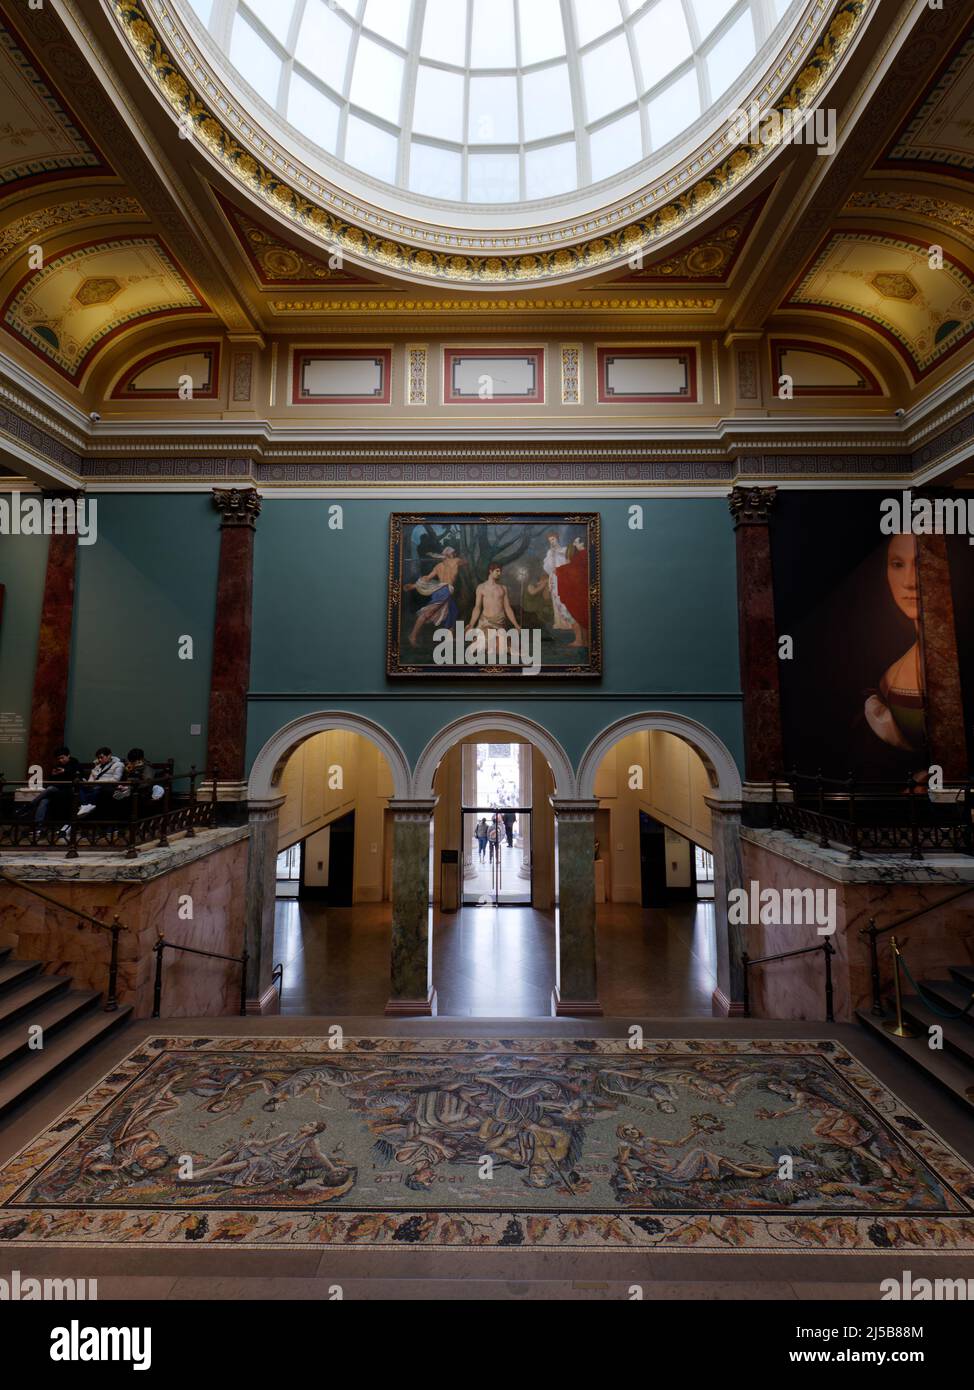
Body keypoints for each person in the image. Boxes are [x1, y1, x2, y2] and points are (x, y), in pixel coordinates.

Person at [405, 547, 467, 645]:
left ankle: (449, 637)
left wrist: (414, 585)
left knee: (453, 611)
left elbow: (427, 578)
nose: (455, 554)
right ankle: (412, 635)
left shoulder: (438, 566)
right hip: (444, 591)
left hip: (444, 591)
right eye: (453, 553)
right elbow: (466, 562)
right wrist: (414, 586)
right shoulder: (456, 561)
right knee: (427, 613)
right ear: (449, 554)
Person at [20, 746, 80, 824]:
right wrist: (53, 775)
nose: (60, 760)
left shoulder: (74, 762)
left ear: (68, 755)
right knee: (43, 801)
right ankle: (38, 827)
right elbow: (52, 780)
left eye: (62, 758)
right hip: (57, 787)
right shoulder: (58, 765)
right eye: (58, 759)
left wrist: (64, 771)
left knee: (50, 788)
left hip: (67, 788)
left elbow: (76, 774)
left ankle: (30, 805)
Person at [74, 746, 125, 818]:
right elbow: (92, 778)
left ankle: (89, 805)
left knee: (98, 788)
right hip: (95, 784)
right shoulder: (98, 766)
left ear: (109, 755)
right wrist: (87, 783)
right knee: (79, 787)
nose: (100, 759)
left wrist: (98, 781)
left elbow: (116, 779)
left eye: (101, 757)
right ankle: (85, 805)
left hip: (106, 785)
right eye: (98, 758)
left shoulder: (118, 764)